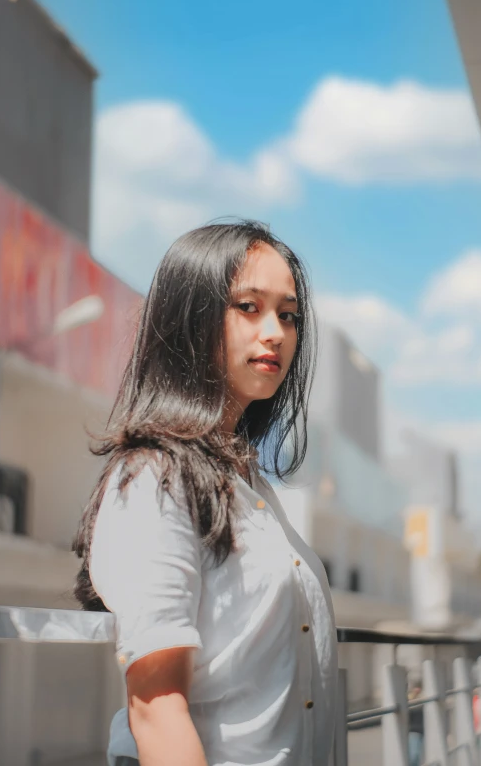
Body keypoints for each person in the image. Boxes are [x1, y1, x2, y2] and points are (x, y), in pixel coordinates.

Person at [72, 221, 338, 766]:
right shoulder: (152, 478)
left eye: (288, 315)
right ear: (190, 318)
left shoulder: (250, 484)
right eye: (248, 307)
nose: (276, 333)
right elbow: (157, 708)